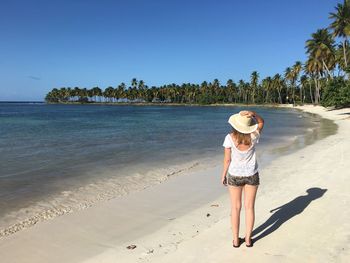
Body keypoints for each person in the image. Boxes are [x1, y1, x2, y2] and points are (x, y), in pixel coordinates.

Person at [221, 110, 264, 248]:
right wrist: (254, 113)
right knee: (249, 207)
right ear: (249, 125)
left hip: (234, 176)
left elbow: (227, 160)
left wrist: (223, 175)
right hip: (252, 174)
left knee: (235, 208)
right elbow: (262, 122)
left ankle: (235, 240)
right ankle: (248, 240)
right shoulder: (254, 135)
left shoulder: (229, 138)